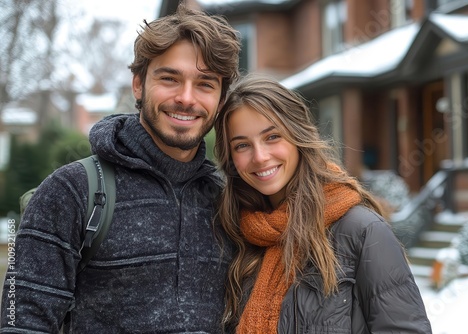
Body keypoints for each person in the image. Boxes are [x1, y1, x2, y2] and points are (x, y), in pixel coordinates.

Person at [1, 3, 240, 333]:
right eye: (170, 78)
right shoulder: (72, 191)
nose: (186, 98)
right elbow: (20, 321)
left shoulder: (227, 200)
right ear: (138, 85)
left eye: (205, 84)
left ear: (221, 99)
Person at [213, 74, 432, 333]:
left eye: (272, 137)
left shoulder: (361, 230)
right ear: (231, 158)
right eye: (242, 145)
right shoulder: (233, 234)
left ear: (298, 136)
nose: (260, 157)